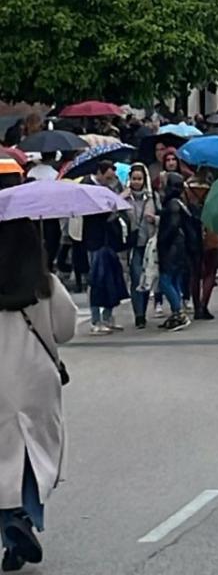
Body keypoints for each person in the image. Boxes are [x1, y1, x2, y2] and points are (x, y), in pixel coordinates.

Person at [0, 218, 77, 572]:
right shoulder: (45, 285)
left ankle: (10, 523)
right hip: (36, 378)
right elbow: (65, 329)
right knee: (33, 453)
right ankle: (24, 516)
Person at [81, 161, 128, 334]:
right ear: (99, 173)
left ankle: (108, 316)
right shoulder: (87, 187)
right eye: (108, 177)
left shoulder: (106, 188)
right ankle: (95, 320)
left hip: (108, 239)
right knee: (96, 280)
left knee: (111, 278)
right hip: (94, 240)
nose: (110, 181)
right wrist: (118, 199)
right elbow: (96, 212)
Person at [155, 173, 195, 331]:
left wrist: (161, 241)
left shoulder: (172, 205)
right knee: (174, 280)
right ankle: (176, 311)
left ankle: (178, 312)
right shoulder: (180, 203)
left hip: (172, 247)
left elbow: (171, 227)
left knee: (165, 280)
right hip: (180, 247)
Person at [123, 164, 159, 328]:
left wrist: (155, 219)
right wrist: (120, 197)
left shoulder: (152, 197)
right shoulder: (124, 197)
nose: (136, 182)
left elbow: (163, 216)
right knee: (136, 278)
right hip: (133, 245)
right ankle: (139, 315)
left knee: (147, 280)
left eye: (140, 179)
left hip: (149, 244)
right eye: (134, 179)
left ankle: (143, 310)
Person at [183, 169, 218, 320]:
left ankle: (196, 305)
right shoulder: (214, 188)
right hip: (210, 230)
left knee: (195, 272)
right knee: (210, 272)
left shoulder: (187, 188)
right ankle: (204, 305)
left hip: (192, 232)